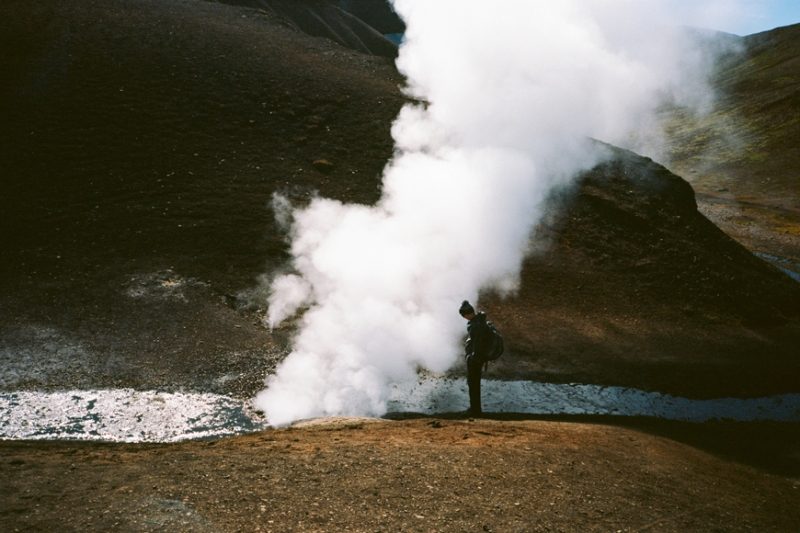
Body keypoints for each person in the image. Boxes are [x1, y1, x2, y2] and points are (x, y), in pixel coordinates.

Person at [459, 300, 492, 416]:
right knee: (474, 384)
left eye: (463, 316)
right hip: (477, 359)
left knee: (473, 384)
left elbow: (477, 345)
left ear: (467, 314)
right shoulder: (478, 322)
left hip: (475, 360)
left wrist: (472, 358)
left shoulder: (476, 325)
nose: (464, 318)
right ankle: (475, 408)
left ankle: (475, 410)